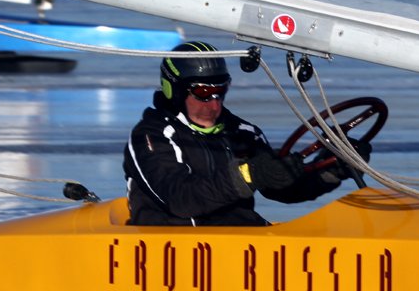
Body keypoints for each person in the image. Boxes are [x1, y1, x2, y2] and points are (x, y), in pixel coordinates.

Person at [123, 42, 370, 226]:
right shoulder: (150, 137)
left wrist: (328, 170)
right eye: (202, 93)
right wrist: (250, 174)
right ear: (174, 90)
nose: (213, 104)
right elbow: (181, 199)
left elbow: (282, 188)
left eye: (221, 91)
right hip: (174, 251)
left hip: (238, 244)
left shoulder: (242, 133)